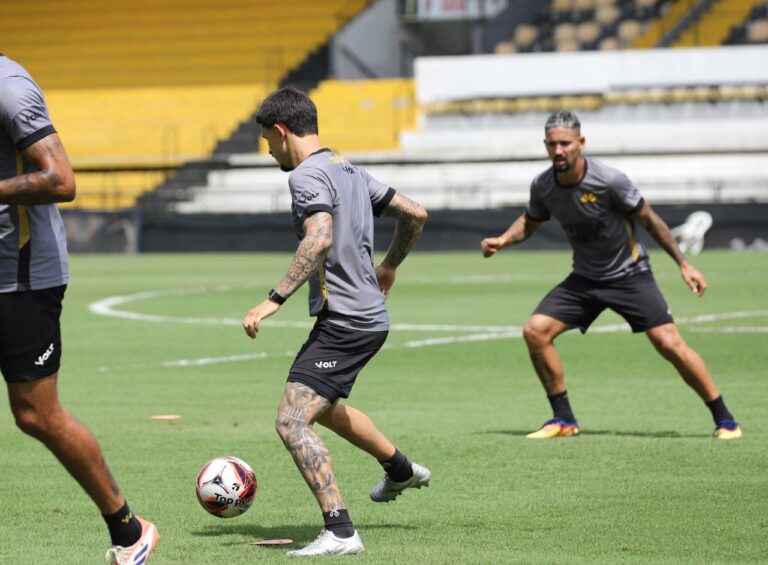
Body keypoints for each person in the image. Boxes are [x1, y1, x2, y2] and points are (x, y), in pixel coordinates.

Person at [243, 87, 431, 557]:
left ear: (283, 131)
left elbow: (319, 236)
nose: (269, 150)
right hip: (367, 317)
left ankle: (341, 531)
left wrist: (274, 299)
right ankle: (400, 469)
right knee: (320, 406)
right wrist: (390, 265)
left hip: (346, 321)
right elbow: (416, 213)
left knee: (290, 422)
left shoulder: (306, 175)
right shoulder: (347, 169)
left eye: (268, 140)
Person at [480, 110, 742, 441]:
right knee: (535, 331)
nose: (558, 150)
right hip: (585, 279)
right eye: (552, 144)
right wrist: (503, 240)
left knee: (669, 343)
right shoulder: (544, 185)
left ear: (581, 143)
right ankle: (563, 419)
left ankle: (726, 419)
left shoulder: (609, 180)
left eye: (565, 143)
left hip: (629, 275)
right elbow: (531, 221)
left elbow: (650, 220)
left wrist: (684, 263)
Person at [0, 54, 158, 564]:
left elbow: (61, 180)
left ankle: (129, 529)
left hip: (20, 276)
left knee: (36, 415)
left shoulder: (9, 86)